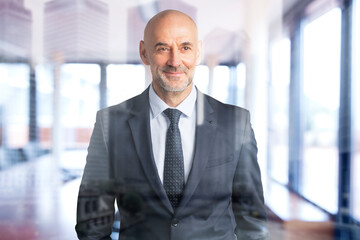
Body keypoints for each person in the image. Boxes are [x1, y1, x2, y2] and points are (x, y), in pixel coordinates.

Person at [76, 9, 269, 240]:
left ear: (198, 53)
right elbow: (91, 225)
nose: (175, 61)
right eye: (162, 48)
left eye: (185, 47)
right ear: (144, 52)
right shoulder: (110, 124)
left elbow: (252, 222)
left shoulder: (236, 123)